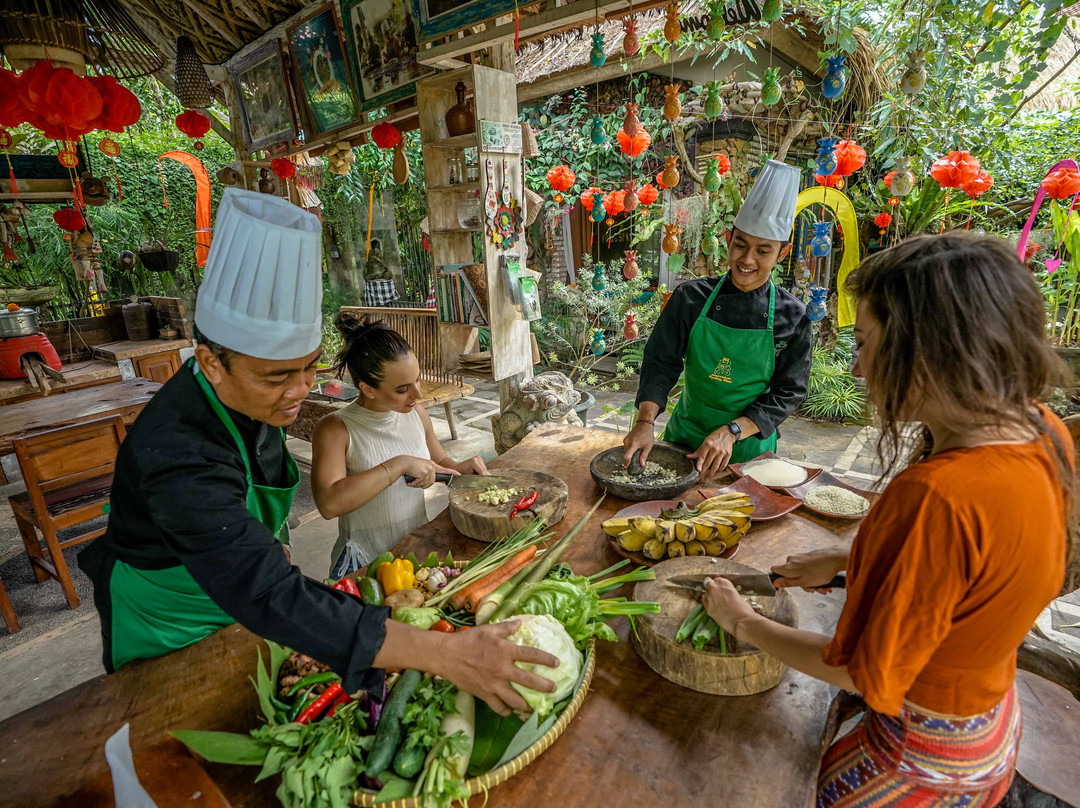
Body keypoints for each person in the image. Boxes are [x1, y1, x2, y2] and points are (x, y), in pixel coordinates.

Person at [78, 189, 556, 716]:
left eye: (309, 368)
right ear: (212, 363)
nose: (300, 390)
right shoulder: (178, 453)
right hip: (170, 618)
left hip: (241, 589)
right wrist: (445, 653)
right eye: (278, 377)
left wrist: (263, 540)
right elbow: (269, 592)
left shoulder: (255, 402)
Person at [701, 232, 1073, 805]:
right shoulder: (1042, 431)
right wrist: (851, 558)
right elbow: (973, 571)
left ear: (926, 351)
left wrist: (741, 621)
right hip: (990, 726)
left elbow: (862, 673)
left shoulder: (936, 496)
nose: (856, 367)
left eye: (863, 343)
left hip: (918, 759)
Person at [623, 160, 812, 478]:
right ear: (727, 238)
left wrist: (733, 431)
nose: (747, 259)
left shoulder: (792, 316)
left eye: (763, 251)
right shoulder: (690, 297)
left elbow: (788, 392)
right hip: (683, 440)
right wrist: (645, 422)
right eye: (741, 245)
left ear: (782, 253)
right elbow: (661, 362)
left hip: (749, 454)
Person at [311, 312, 488, 577]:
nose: (418, 393)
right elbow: (329, 504)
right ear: (368, 389)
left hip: (415, 549)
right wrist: (399, 465)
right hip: (363, 559)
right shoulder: (336, 429)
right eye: (402, 389)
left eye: (417, 379)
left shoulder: (416, 414)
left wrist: (459, 469)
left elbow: (439, 461)